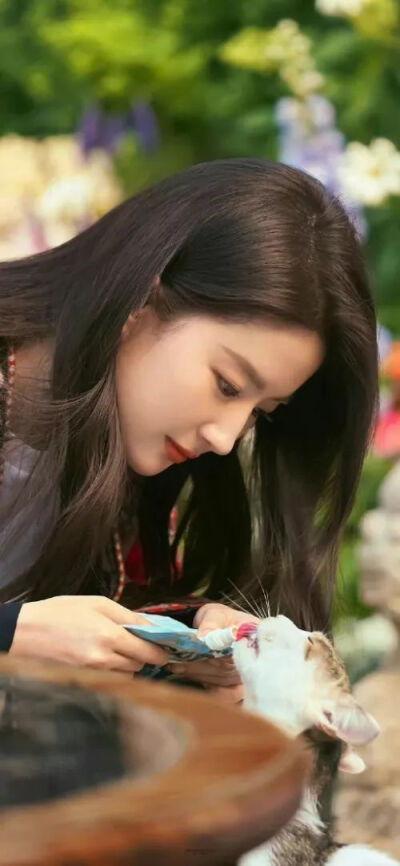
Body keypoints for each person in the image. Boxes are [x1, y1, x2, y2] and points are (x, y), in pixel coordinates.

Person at [0, 158, 378, 703]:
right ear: (141, 299)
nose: (225, 439)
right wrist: (12, 634)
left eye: (261, 411)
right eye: (227, 385)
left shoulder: (125, 456)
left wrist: (188, 640)